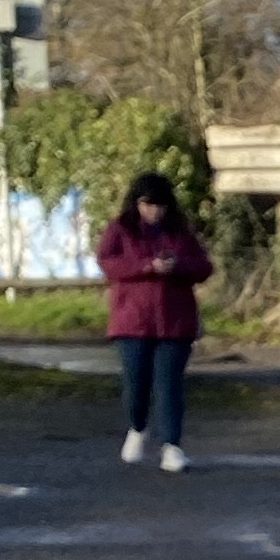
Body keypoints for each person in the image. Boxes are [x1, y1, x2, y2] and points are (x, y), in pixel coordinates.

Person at [97, 170, 211, 475]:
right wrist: (147, 266)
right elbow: (108, 263)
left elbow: (203, 267)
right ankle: (138, 427)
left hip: (175, 322)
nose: (154, 211)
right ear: (136, 203)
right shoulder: (120, 229)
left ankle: (172, 447)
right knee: (136, 383)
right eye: (148, 204)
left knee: (169, 385)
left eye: (160, 205)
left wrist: (178, 266)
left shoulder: (181, 232)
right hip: (132, 322)